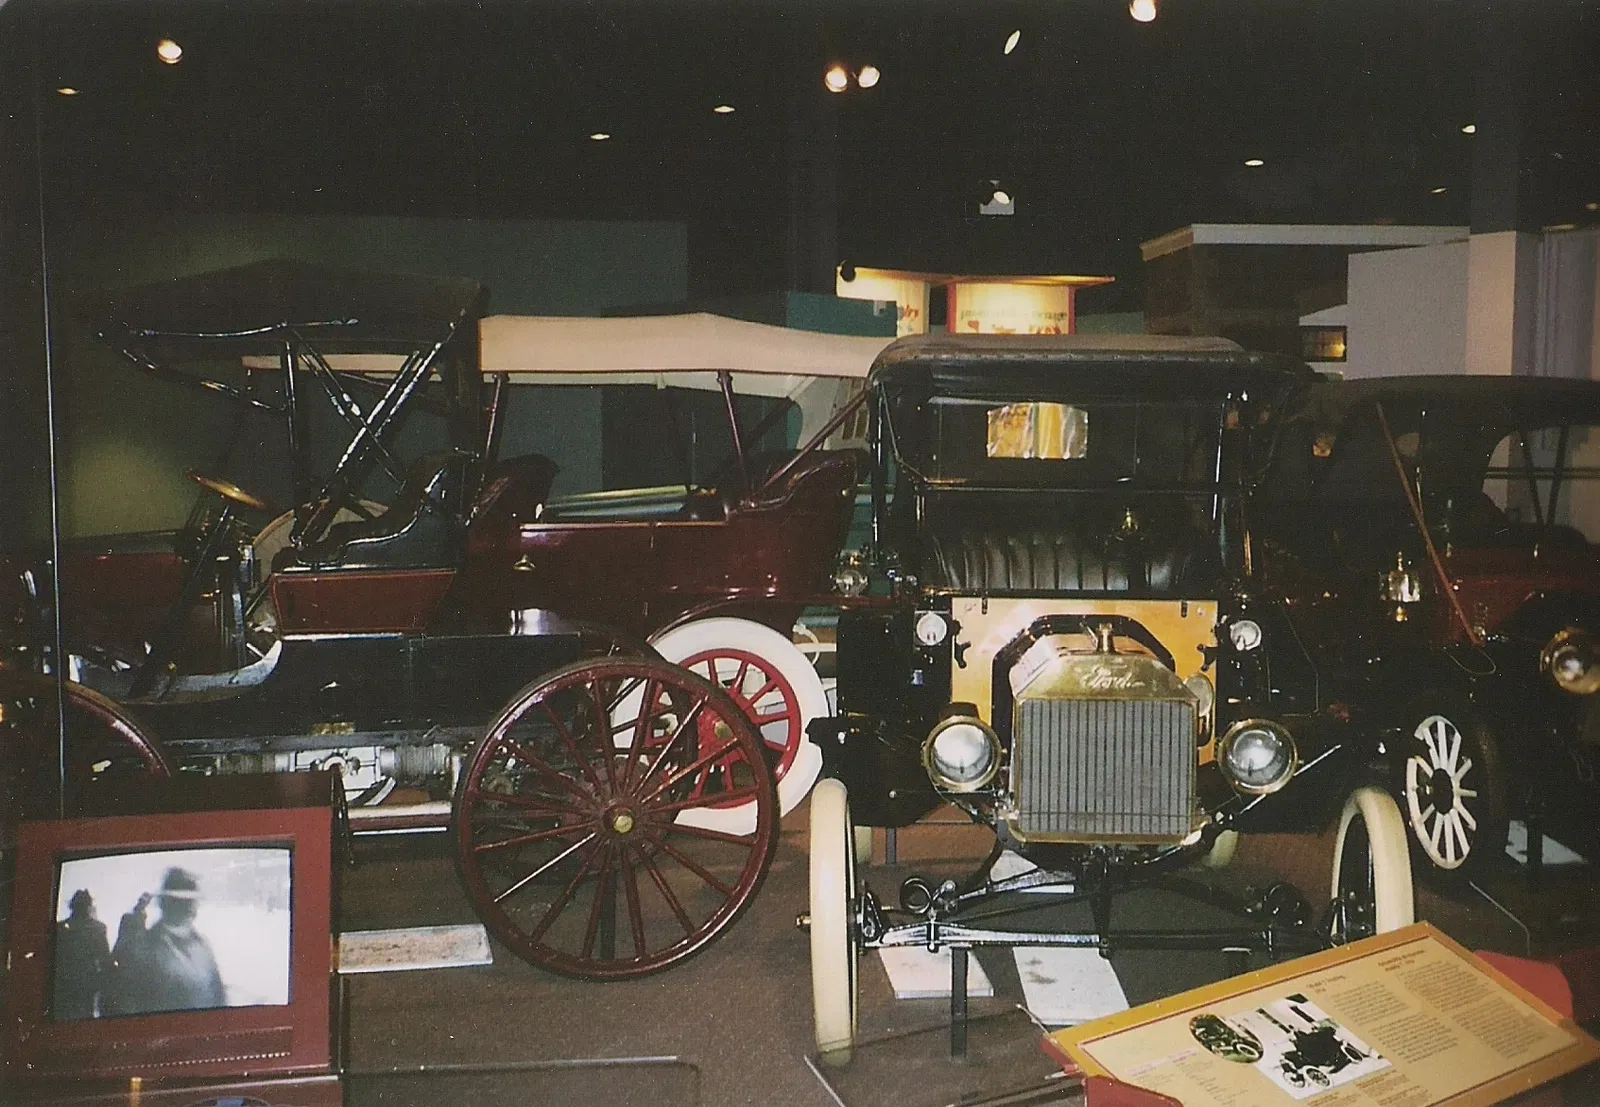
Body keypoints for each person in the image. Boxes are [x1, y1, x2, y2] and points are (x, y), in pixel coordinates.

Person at [106, 867, 226, 1015]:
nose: (190, 909)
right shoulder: (143, 948)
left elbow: (218, 995)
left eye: (192, 901)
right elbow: (121, 1004)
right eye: (181, 902)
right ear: (166, 903)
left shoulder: (202, 946)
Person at [52, 889, 112, 1020]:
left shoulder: (60, 928)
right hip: (86, 983)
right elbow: (105, 958)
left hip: (64, 983)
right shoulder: (98, 928)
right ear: (89, 906)